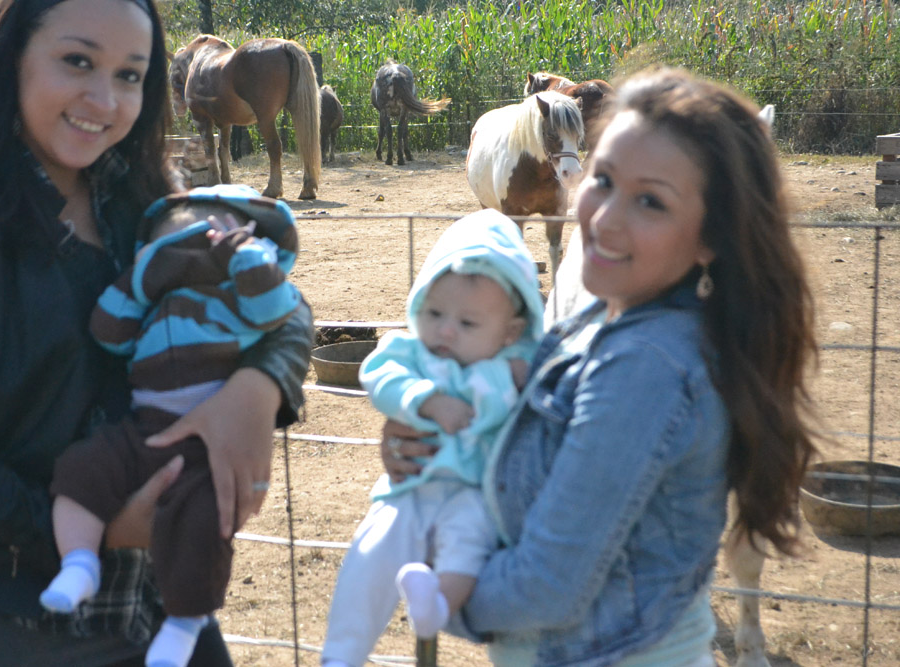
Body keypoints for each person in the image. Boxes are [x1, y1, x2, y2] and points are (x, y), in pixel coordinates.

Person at [0, 0, 313, 664]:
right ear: (12, 57)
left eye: (129, 74)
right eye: (77, 61)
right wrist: (92, 525)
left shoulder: (145, 196)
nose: (104, 99)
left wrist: (260, 386)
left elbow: (281, 303)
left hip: (151, 601)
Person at [379, 67, 821, 666]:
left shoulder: (646, 368)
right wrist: (432, 429)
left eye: (651, 201)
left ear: (711, 235)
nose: (606, 218)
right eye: (604, 179)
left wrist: (441, 592)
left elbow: (548, 582)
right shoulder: (605, 313)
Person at [40, 183, 303, 667]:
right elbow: (108, 333)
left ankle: (187, 621)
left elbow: (281, 309)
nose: (186, 260)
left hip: (206, 446)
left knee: (204, 514)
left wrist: (243, 256)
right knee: (81, 469)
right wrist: (140, 279)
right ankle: (79, 562)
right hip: (145, 430)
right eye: (172, 251)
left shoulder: (239, 296)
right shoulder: (153, 303)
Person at [322, 208, 547, 667]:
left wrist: (508, 380)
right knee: (371, 555)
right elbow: (379, 374)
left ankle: (436, 606)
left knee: (468, 545)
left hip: (476, 495)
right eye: (434, 312)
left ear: (511, 332)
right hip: (410, 488)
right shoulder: (410, 352)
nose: (445, 329)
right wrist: (425, 400)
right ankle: (340, 655)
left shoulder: (516, 370)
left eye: (468, 323)